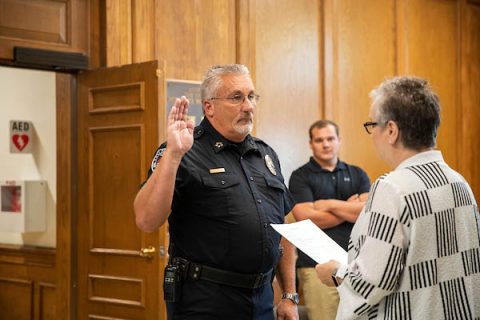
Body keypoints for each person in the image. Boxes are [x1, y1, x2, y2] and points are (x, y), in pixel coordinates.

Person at [134, 64, 299, 320]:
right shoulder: (183, 152)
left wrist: (289, 295)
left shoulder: (265, 155)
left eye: (251, 96)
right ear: (208, 107)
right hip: (206, 302)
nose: (249, 106)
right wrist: (174, 156)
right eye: (237, 97)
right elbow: (146, 219)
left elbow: (283, 230)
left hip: (262, 301)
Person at [315, 76, 480, 319]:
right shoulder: (461, 183)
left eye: (373, 125)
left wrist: (336, 272)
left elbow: (371, 284)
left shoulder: (392, 189)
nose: (371, 134)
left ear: (391, 130)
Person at [288, 120, 370, 319]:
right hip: (316, 268)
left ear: (339, 140)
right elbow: (306, 219)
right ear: (311, 144)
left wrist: (328, 204)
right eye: (319, 140)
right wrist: (349, 207)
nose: (325, 144)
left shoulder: (357, 174)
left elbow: (367, 212)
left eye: (330, 139)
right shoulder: (300, 177)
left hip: (357, 266)